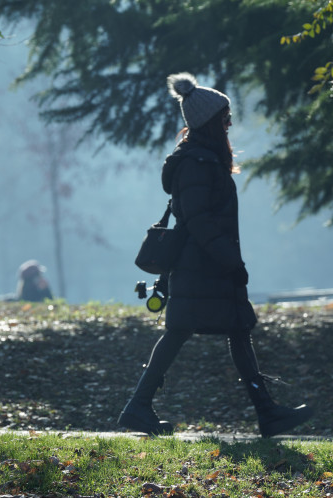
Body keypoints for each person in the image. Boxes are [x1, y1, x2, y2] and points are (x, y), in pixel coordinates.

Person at [117, 72, 313, 437]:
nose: (229, 124)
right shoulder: (196, 163)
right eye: (225, 118)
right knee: (184, 331)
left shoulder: (203, 160)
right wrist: (231, 262)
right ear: (209, 122)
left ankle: (266, 412)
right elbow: (200, 220)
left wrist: (228, 261)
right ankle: (139, 406)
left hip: (207, 264)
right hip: (202, 265)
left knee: (233, 329)